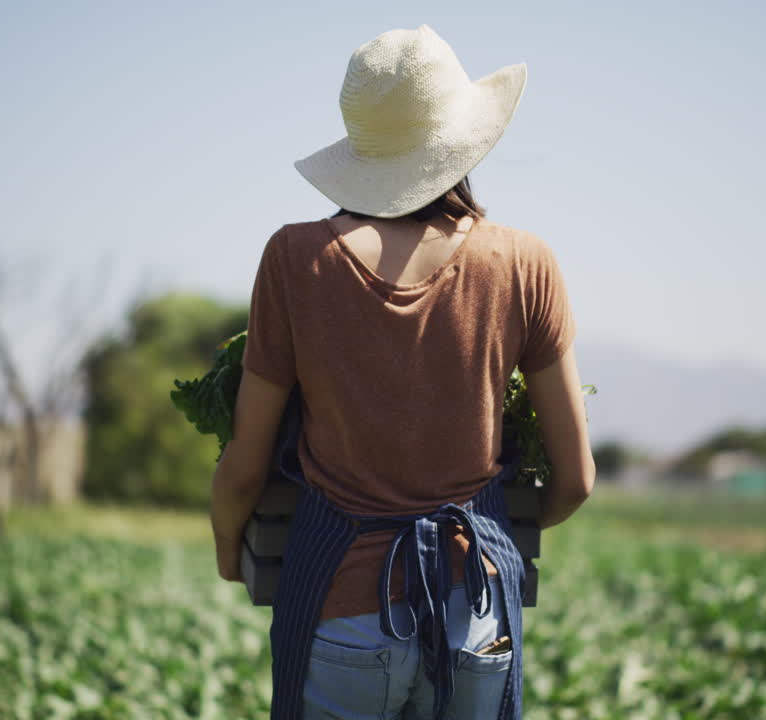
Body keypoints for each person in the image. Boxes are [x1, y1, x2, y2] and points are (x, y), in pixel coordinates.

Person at [210, 24, 594, 720]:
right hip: (477, 616)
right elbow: (576, 480)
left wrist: (228, 547)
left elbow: (246, 461)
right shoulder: (524, 262)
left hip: (344, 612)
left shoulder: (296, 259)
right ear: (460, 143)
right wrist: (496, 531)